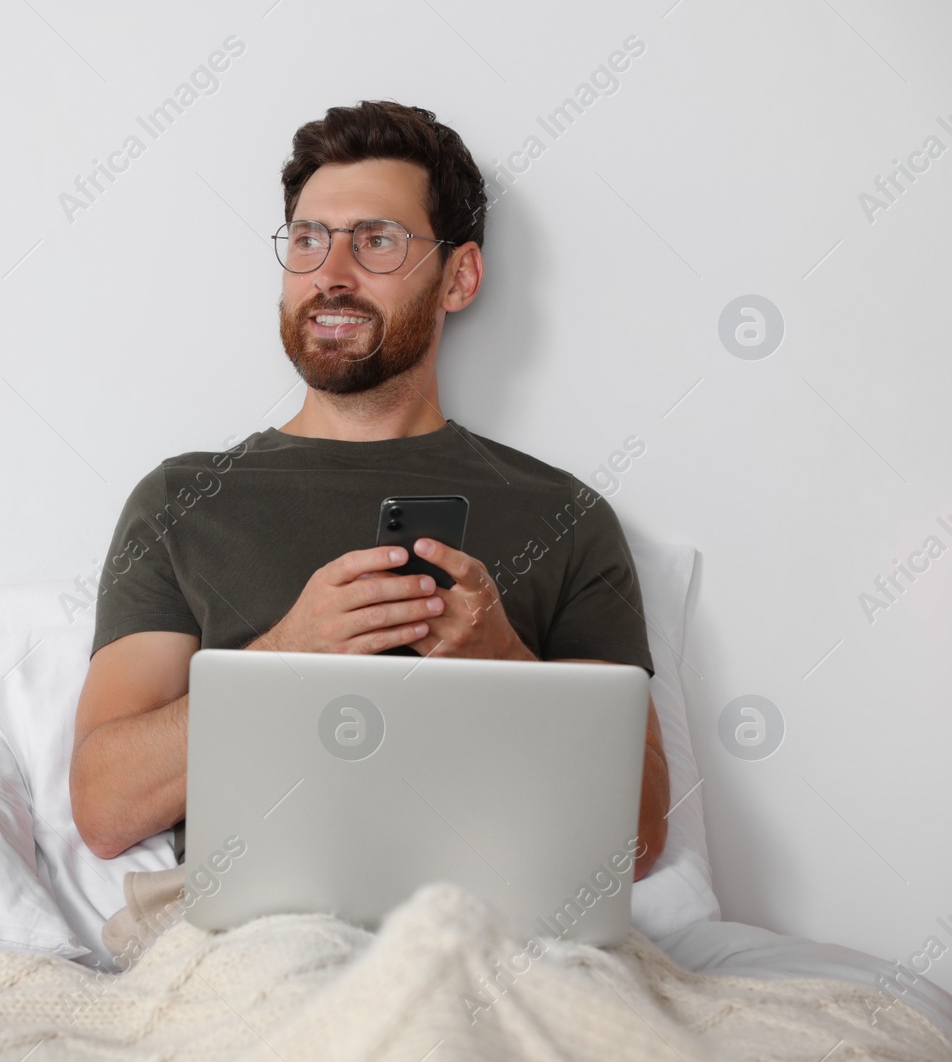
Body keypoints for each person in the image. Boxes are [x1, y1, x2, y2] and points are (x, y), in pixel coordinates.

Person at [70, 100, 668, 881]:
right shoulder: (183, 500)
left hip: (497, 921)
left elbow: (640, 836)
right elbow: (104, 807)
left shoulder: (566, 515)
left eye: (377, 241)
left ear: (460, 276)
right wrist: (288, 657)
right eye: (309, 240)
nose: (331, 275)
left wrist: (504, 663)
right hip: (260, 937)